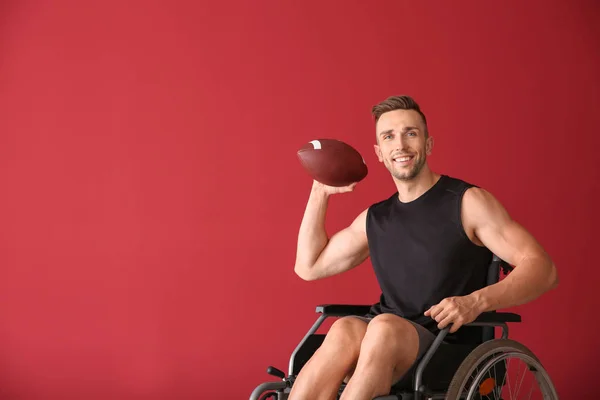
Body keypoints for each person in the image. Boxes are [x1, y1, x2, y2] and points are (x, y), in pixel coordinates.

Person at [288, 95, 559, 400]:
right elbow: (308, 266)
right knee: (344, 330)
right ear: (379, 152)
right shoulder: (376, 218)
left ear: (428, 144)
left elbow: (543, 269)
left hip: (450, 348)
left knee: (383, 328)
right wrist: (319, 191)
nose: (400, 145)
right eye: (389, 137)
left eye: (410, 133)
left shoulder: (467, 202)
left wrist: (475, 301)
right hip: (386, 341)